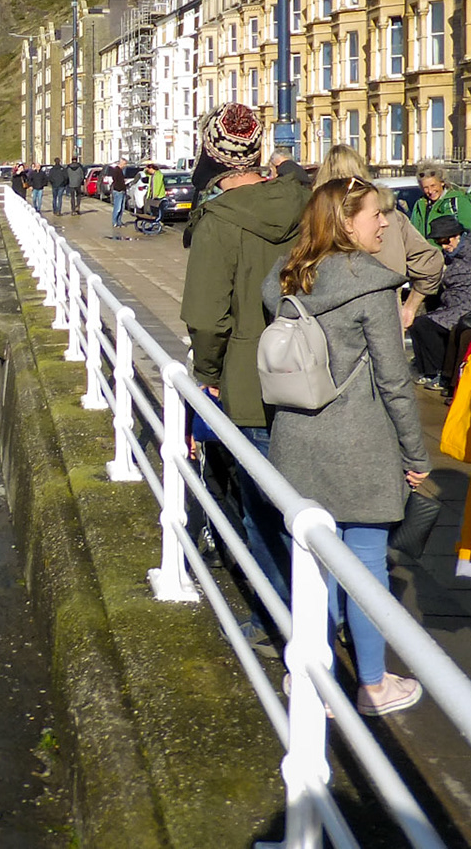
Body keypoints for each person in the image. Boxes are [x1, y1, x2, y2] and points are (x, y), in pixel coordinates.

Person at [262, 177, 431, 716]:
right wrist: (415, 456)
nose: (385, 222)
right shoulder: (371, 285)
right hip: (360, 445)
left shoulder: (287, 276)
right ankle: (374, 685)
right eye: (375, 214)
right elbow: (394, 382)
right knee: (364, 566)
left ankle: (315, 678)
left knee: (311, 566)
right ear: (344, 220)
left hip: (295, 439)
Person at [181, 103, 308, 610]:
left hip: (249, 381)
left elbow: (208, 317)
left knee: (262, 509)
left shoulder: (218, 220)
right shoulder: (306, 204)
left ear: (211, 155)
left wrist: (206, 374)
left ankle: (275, 619)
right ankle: (328, 611)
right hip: (312, 373)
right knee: (311, 506)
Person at [316, 145, 442, 329]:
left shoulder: (315, 219)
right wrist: (409, 307)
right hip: (387, 319)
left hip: (332, 326)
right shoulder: (390, 216)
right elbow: (431, 263)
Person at [409, 216, 471, 389]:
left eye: (446, 241)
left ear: (458, 235)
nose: (445, 246)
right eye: (439, 242)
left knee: (425, 325)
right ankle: (427, 370)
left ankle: (438, 372)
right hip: (453, 303)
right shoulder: (450, 256)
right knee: (419, 322)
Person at [408, 160, 471, 241]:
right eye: (426, 187)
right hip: (426, 253)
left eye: (433, 185)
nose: (430, 191)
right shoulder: (421, 205)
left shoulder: (458, 201)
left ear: (442, 182)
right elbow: (412, 234)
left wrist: (454, 248)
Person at [108, 165, 128, 234]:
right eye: (125, 164)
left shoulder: (121, 171)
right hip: (118, 191)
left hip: (122, 191)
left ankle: (119, 221)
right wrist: (119, 188)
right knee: (117, 207)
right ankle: (114, 222)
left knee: (122, 208)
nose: (125, 166)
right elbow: (115, 180)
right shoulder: (116, 170)